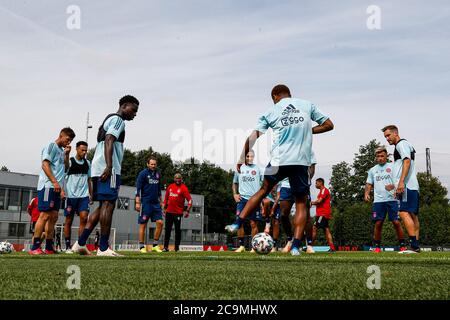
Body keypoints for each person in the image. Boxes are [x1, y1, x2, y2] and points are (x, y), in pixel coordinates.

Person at [225, 84, 334, 256]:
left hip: (278, 161)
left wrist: (242, 157)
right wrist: (307, 131)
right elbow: (329, 125)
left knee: (263, 190)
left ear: (275, 96)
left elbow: (253, 137)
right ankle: (296, 247)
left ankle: (237, 223)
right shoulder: (307, 105)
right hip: (300, 162)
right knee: (300, 203)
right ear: (290, 94)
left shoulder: (271, 111)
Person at [72, 95, 139, 257]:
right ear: (124, 106)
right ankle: (102, 248)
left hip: (97, 168)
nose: (135, 114)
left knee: (103, 206)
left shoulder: (108, 119)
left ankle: (80, 243)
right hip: (108, 169)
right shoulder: (118, 120)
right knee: (109, 205)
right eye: (134, 109)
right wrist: (109, 166)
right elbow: (109, 140)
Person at [29, 127, 75, 255]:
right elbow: (45, 165)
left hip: (56, 188)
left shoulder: (61, 151)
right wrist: (54, 182)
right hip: (48, 186)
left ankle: (49, 247)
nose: (69, 142)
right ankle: (35, 247)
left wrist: (67, 154)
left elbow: (66, 168)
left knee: (53, 217)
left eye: (71, 140)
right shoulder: (51, 146)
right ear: (61, 135)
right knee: (44, 215)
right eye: (67, 139)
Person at [382, 125, 420, 253]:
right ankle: (416, 246)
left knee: (403, 213)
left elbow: (407, 162)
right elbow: (402, 166)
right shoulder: (405, 144)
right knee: (413, 215)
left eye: (388, 135)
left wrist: (401, 183)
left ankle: (413, 245)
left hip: (407, 185)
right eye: (385, 136)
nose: (387, 139)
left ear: (395, 133)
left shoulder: (401, 144)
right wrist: (395, 185)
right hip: (411, 185)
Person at [364, 146, 407, 253]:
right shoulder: (372, 170)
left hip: (393, 199)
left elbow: (400, 180)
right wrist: (366, 193)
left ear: (386, 156)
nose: (380, 158)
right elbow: (369, 183)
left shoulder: (393, 167)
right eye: (378, 156)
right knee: (378, 223)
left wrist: (394, 187)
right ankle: (377, 247)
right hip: (378, 201)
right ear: (375, 157)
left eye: (382, 156)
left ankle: (402, 245)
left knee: (396, 222)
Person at [279, 151, 317, 253]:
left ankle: (309, 244)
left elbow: (312, 170)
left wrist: (304, 181)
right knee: (283, 214)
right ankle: (290, 240)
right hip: (286, 186)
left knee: (307, 216)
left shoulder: (308, 150)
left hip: (301, 185)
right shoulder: (285, 148)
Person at [231, 150, 264, 253]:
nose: (250, 158)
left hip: (254, 199)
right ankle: (241, 246)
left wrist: (261, 197)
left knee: (253, 223)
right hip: (242, 199)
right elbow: (234, 183)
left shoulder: (258, 169)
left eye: (252, 156)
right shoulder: (239, 168)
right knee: (239, 222)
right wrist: (235, 194)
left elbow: (264, 184)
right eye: (248, 156)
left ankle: (254, 247)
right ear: (244, 157)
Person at [63, 141, 93, 253]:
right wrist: (66, 154)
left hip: (84, 196)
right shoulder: (70, 162)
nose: (84, 152)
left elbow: (89, 180)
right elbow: (65, 169)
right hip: (71, 196)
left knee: (84, 218)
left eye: (86, 150)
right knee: (69, 220)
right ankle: (67, 246)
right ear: (76, 149)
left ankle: (80, 245)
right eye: (82, 150)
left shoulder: (87, 163)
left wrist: (91, 194)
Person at [135, 157, 164, 253]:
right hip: (145, 203)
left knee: (160, 222)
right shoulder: (143, 174)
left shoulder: (158, 174)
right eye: (151, 164)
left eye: (154, 164)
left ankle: (155, 245)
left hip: (156, 203)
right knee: (143, 225)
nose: (153, 166)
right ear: (147, 164)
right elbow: (138, 188)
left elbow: (159, 189)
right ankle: (141, 247)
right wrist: (137, 202)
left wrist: (161, 201)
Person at [163, 173, 192, 252]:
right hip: (169, 212)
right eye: (176, 178)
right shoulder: (170, 187)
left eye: (179, 178)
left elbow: (190, 200)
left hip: (178, 213)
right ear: (174, 179)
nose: (177, 179)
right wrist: (164, 209)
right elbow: (166, 199)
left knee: (177, 231)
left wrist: (187, 210)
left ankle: (177, 248)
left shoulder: (184, 188)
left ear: (181, 179)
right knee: (167, 230)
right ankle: (165, 247)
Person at [311, 178, 336, 252]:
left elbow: (319, 201)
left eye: (316, 183)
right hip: (322, 213)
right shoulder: (322, 191)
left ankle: (310, 246)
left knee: (314, 228)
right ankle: (332, 248)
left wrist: (311, 202)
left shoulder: (324, 190)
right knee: (326, 230)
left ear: (320, 182)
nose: (315, 185)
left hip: (322, 214)